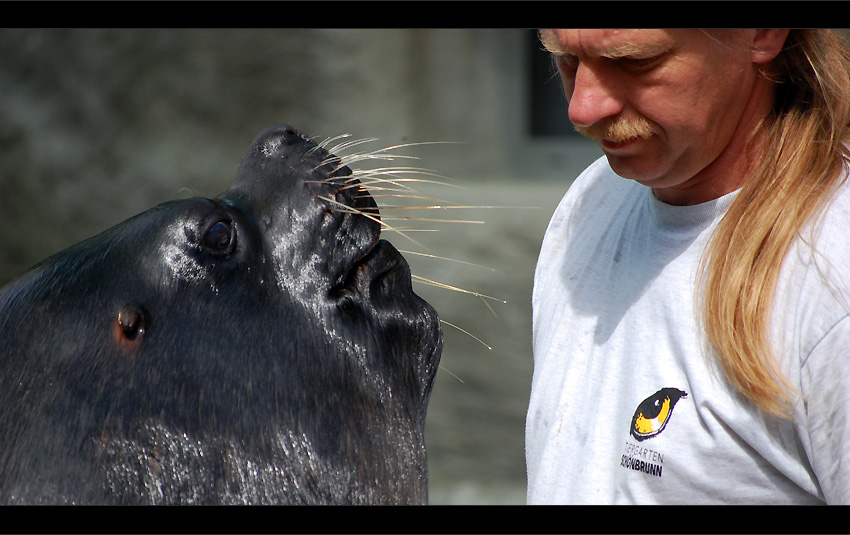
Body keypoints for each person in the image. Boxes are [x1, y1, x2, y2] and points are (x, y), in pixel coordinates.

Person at [525, 29, 850, 504]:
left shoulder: (829, 275)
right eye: (566, 60)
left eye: (636, 63)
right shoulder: (592, 199)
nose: (582, 108)